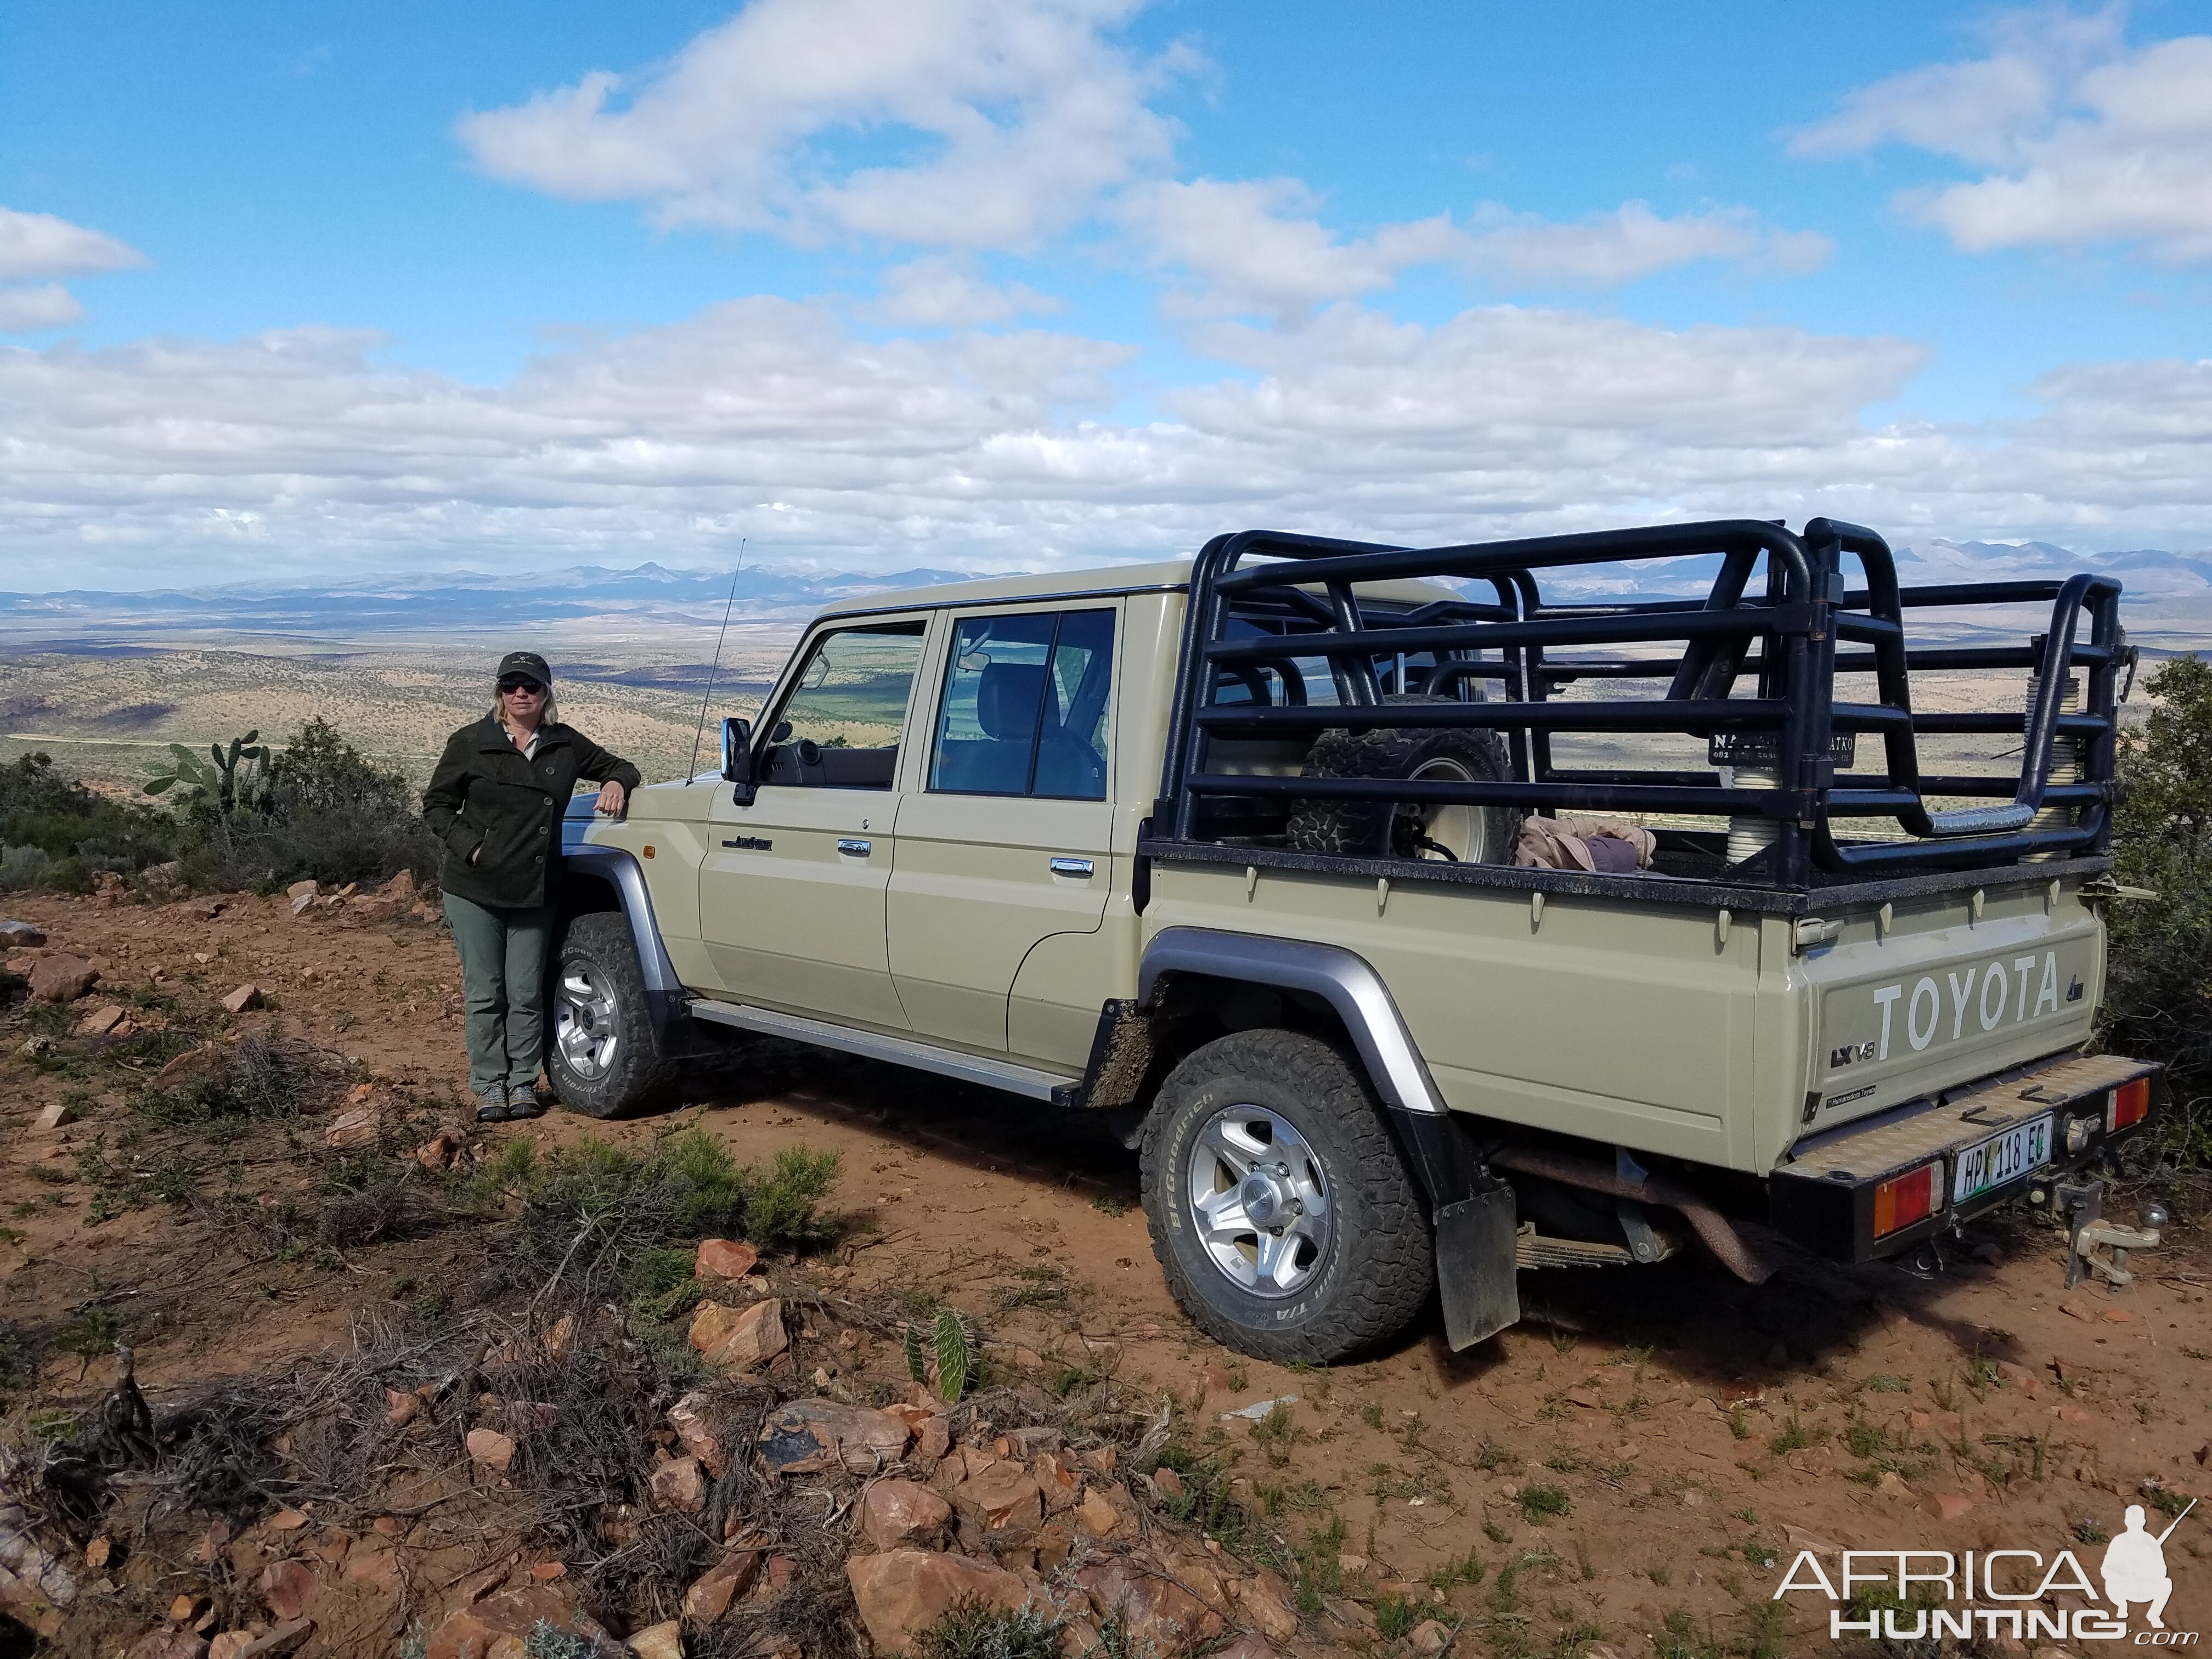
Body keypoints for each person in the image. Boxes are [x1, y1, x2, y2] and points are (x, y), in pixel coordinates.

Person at [421, 651, 640, 1121]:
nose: (521, 693)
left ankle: (522, 1083)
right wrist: (472, 848)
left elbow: (622, 766)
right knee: (486, 991)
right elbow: (437, 806)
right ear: (499, 693)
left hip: (536, 888)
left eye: (531, 686)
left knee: (525, 991)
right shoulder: (470, 743)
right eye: (511, 685)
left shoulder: (564, 745)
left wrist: (616, 783)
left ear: (546, 693)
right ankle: (488, 1086)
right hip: (473, 887)